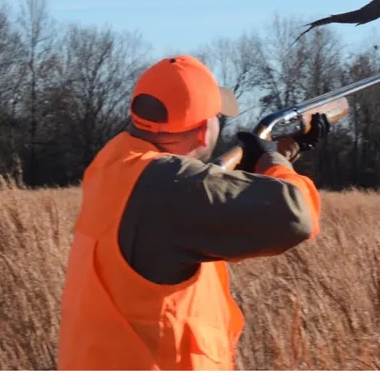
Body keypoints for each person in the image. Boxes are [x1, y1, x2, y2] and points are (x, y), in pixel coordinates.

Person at [56, 54, 331, 370]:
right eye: (217, 117)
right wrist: (273, 161)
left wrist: (284, 152)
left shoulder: (113, 164)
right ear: (203, 131)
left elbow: (194, 194)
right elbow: (296, 216)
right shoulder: (169, 186)